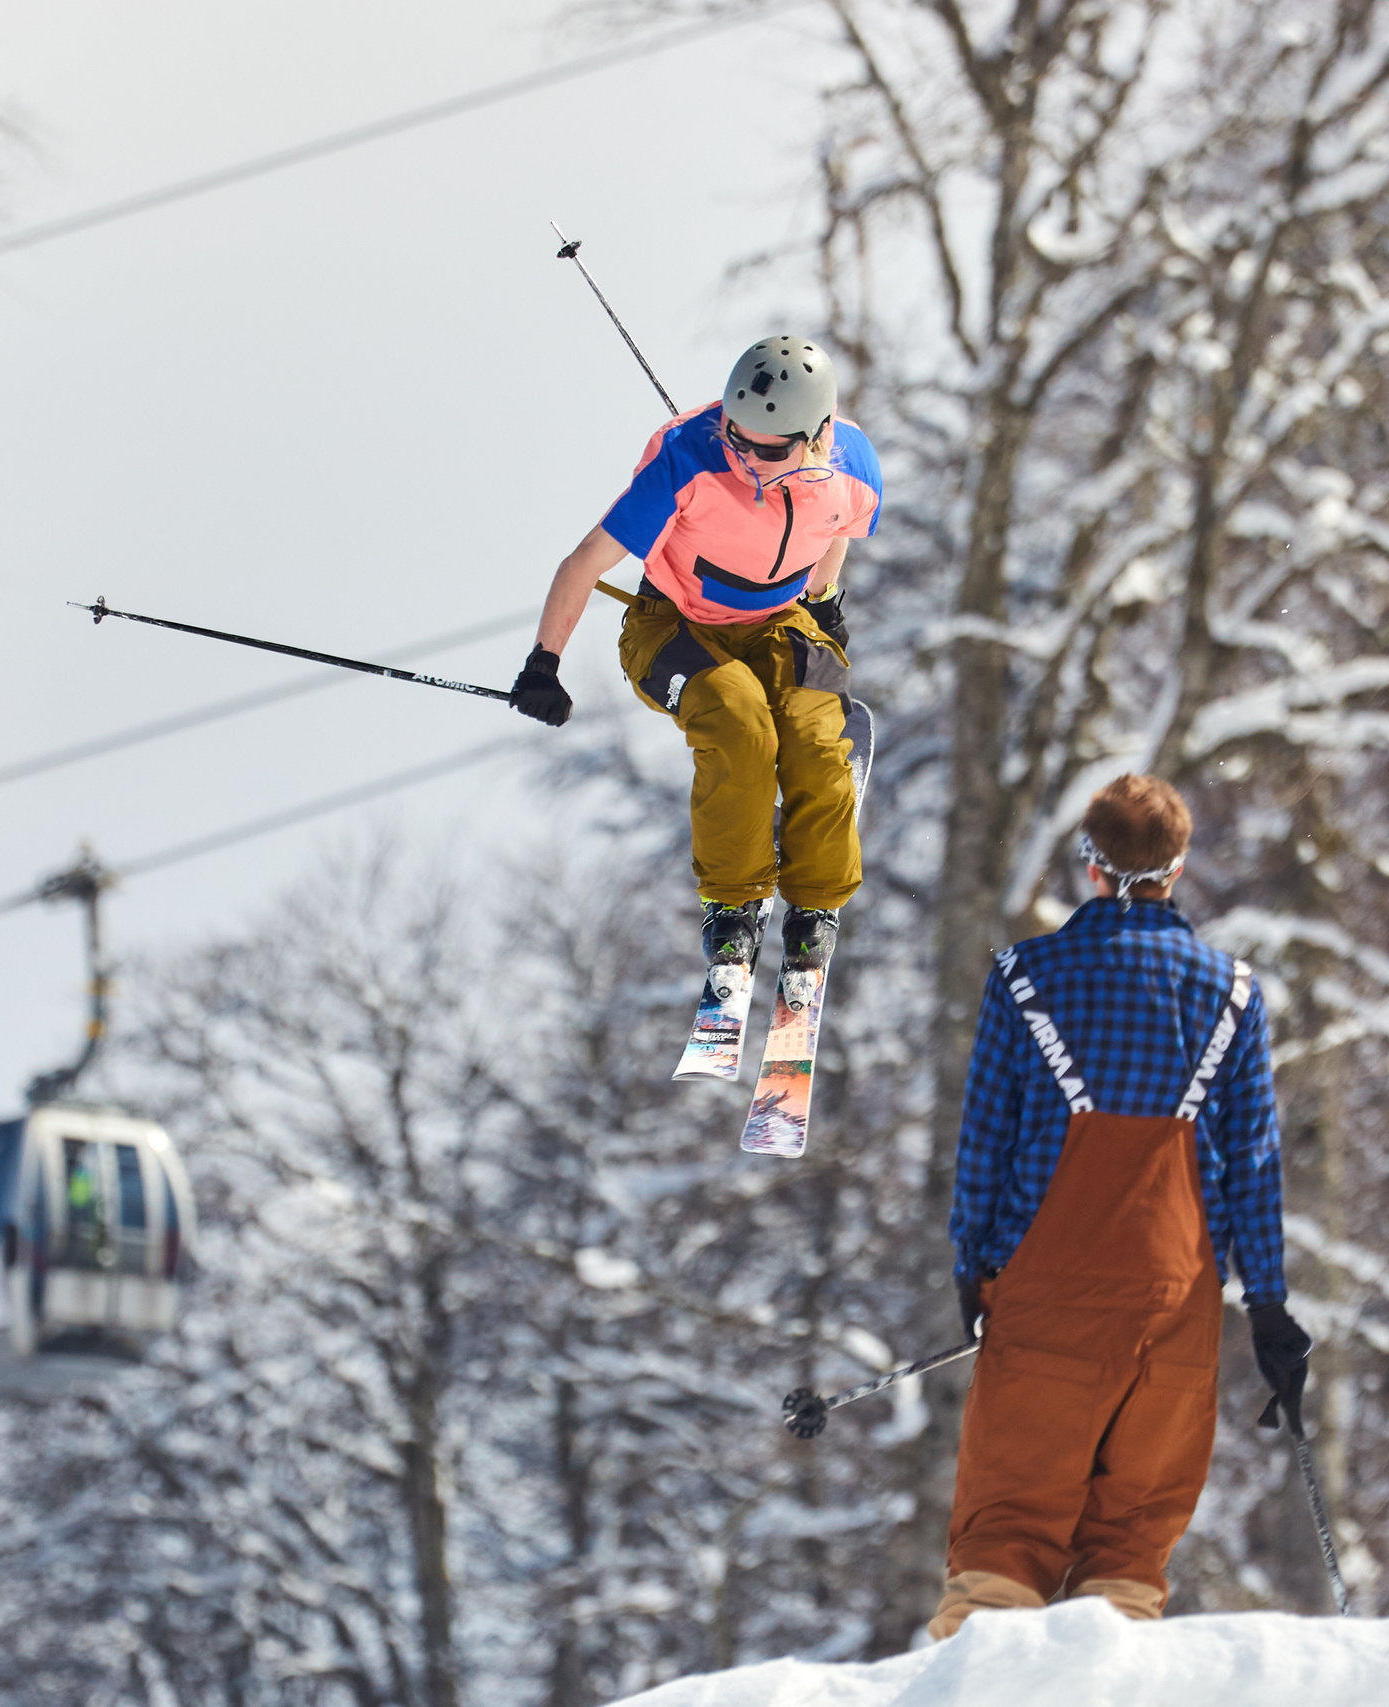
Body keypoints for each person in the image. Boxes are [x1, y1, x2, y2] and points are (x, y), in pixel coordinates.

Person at [931, 773, 1307, 1639]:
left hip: (1046, 1297)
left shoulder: (1026, 977)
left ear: (1090, 864)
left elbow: (984, 1142)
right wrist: (1270, 1303)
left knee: (1006, 1539)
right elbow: (1255, 1164)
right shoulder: (1234, 992)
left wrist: (973, 1268)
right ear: (1178, 868)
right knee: (1128, 1555)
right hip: (1174, 1309)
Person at [508, 337, 882, 987]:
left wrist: (821, 602)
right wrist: (544, 662)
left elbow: (836, 531)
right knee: (740, 723)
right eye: (737, 438)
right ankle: (732, 907)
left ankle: (816, 907)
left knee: (817, 743)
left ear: (819, 437)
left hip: (780, 622)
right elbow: (584, 562)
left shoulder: (855, 469)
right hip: (672, 625)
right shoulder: (687, 458)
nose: (747, 459)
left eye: (769, 450)